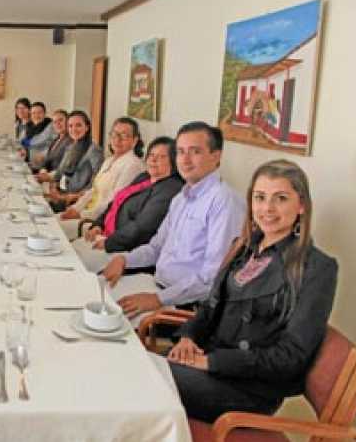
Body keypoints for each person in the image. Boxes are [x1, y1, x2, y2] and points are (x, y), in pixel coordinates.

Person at [167, 160, 338, 423]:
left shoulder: (317, 267)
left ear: (301, 205)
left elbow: (290, 356)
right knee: (131, 367)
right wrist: (188, 338)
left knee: (144, 383)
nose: (267, 209)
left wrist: (212, 362)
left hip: (248, 390)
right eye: (260, 198)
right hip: (209, 362)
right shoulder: (243, 247)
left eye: (280, 198)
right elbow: (210, 308)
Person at [102, 121, 245, 324]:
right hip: (156, 285)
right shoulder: (181, 198)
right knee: (95, 292)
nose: (185, 160)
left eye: (195, 151)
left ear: (216, 155)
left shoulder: (224, 202)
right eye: (180, 151)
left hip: (185, 306)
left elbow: (212, 278)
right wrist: (125, 259)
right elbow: (156, 248)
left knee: (106, 319)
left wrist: (158, 299)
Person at [72, 137, 184, 272]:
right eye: (151, 155)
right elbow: (115, 202)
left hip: (128, 252)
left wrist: (109, 243)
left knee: (78, 263)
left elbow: (142, 227)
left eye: (161, 157)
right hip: (109, 236)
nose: (153, 160)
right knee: (72, 250)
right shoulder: (144, 176)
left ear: (174, 161)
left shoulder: (170, 189)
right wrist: (98, 225)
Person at [55, 117, 143, 222]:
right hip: (86, 211)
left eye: (123, 135)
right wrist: (75, 208)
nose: (117, 139)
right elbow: (94, 190)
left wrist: (82, 215)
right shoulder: (109, 160)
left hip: (99, 221)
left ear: (135, 140)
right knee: (50, 221)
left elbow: (114, 200)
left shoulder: (133, 165)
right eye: (114, 134)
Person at [37, 111, 102, 197]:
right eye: (70, 126)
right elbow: (60, 172)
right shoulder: (71, 147)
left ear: (87, 127)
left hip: (75, 199)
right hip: (62, 192)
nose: (74, 129)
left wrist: (75, 196)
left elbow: (97, 182)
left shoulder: (94, 150)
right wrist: (45, 180)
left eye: (78, 125)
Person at [22, 101, 57, 169]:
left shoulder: (50, 125)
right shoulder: (30, 126)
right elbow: (23, 141)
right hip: (30, 162)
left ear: (44, 113)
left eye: (39, 113)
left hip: (42, 166)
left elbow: (36, 141)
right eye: (33, 113)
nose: (36, 115)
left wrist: (24, 142)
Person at [36, 109, 71, 175]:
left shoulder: (71, 141)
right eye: (55, 122)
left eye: (60, 120)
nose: (57, 124)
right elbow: (48, 160)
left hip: (56, 179)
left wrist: (47, 175)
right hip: (46, 176)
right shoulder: (56, 139)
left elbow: (64, 168)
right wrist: (43, 169)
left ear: (68, 121)